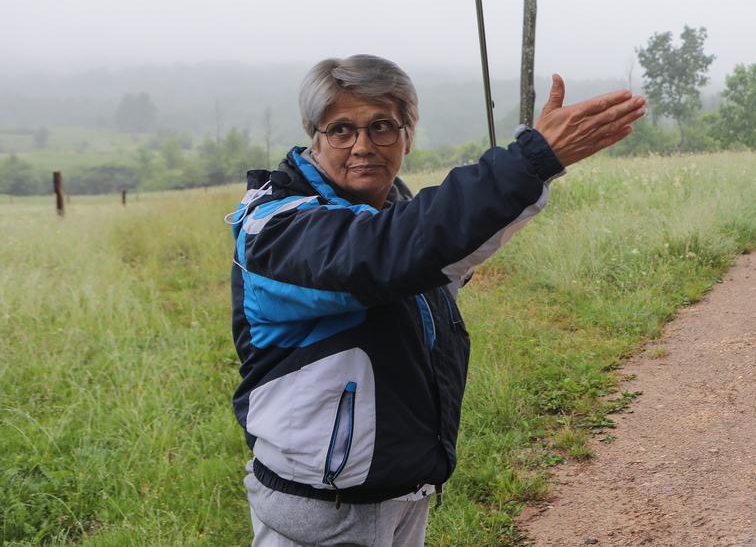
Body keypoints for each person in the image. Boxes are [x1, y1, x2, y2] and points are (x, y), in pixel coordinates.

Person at [226, 55, 645, 546]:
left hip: (401, 496)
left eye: (382, 126)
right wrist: (527, 162)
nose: (361, 145)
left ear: (408, 134)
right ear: (314, 138)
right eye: (340, 129)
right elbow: (384, 253)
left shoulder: (394, 213)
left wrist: (532, 177)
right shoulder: (275, 227)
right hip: (320, 515)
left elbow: (443, 255)